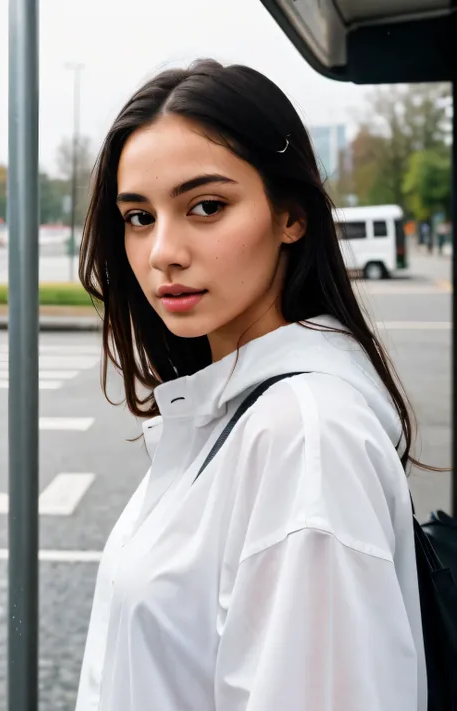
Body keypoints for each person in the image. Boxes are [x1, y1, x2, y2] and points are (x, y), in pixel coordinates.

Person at [76, 59, 426, 711]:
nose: (162, 252)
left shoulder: (307, 434)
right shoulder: (243, 409)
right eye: (138, 216)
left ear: (291, 216)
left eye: (205, 206)